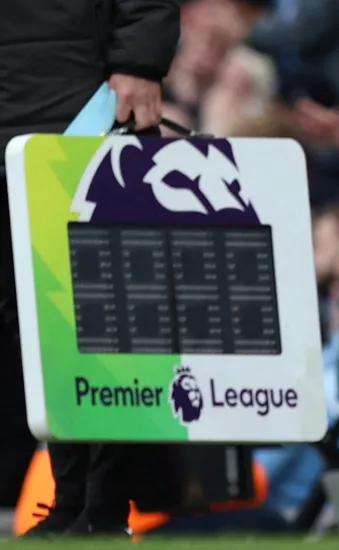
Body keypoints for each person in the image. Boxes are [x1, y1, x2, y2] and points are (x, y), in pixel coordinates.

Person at [0, 0, 179, 535]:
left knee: (102, 317)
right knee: (33, 320)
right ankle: (72, 501)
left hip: (85, 102)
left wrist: (140, 62)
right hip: (28, 104)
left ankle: (104, 505)